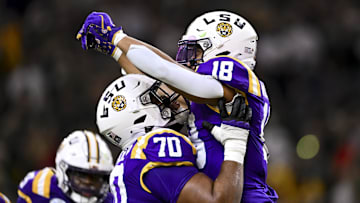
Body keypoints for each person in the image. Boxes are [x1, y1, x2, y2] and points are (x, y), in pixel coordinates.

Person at [77, 10, 278, 202]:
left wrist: (117, 39)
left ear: (224, 48)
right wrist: (116, 47)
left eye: (197, 50)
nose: (189, 59)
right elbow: (163, 79)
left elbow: (166, 73)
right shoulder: (207, 98)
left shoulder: (234, 80)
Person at [95, 74, 251, 203]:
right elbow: (218, 201)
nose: (172, 103)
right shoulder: (153, 147)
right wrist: (235, 143)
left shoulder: (131, 159)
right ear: (137, 114)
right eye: (156, 100)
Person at [17, 130, 114, 203]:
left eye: (95, 178)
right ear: (63, 170)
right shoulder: (40, 187)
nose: (88, 184)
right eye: (82, 176)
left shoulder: (112, 200)